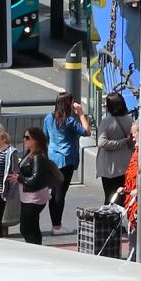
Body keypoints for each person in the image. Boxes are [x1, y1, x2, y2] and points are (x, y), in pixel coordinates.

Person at [41, 92, 88, 235]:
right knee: (60, 194)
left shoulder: (49, 118)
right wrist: (81, 114)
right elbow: (86, 131)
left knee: (54, 193)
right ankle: (57, 226)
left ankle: (55, 224)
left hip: (53, 158)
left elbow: (45, 136)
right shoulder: (69, 121)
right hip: (66, 159)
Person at [16, 127, 57, 244]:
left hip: (34, 197)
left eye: (28, 138)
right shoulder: (30, 153)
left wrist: (19, 178)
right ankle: (37, 248)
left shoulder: (38, 156)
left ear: (36, 140)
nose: (25, 140)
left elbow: (35, 180)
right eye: (24, 137)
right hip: (29, 196)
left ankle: (34, 249)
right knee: (33, 226)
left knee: (25, 228)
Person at [94, 93, 134, 204]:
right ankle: (118, 220)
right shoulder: (130, 120)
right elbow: (132, 142)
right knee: (121, 197)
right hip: (125, 165)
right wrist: (125, 141)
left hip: (109, 167)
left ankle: (109, 220)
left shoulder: (106, 122)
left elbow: (102, 143)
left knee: (110, 198)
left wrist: (121, 142)